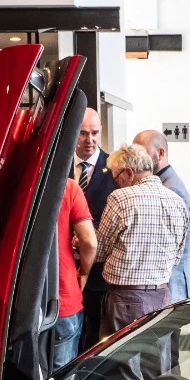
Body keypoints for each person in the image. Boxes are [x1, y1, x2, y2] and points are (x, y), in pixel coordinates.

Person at [97, 143, 190, 336]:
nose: (116, 183)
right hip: (163, 297)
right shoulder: (177, 201)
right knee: (157, 362)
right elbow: (177, 256)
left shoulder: (120, 198)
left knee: (121, 362)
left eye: (116, 178)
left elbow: (99, 251)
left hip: (125, 301)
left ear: (128, 173)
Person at [133, 129, 190, 300]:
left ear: (160, 153)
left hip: (171, 286)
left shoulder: (171, 190)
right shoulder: (165, 184)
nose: (137, 159)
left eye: (142, 153)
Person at [72, 108, 115, 351]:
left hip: (99, 271)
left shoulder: (114, 168)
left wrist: (86, 235)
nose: (90, 140)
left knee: (97, 338)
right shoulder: (59, 165)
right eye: (83, 134)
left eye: (95, 133)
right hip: (67, 269)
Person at [53, 177, 98, 369]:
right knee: (63, 375)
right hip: (63, 293)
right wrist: (84, 272)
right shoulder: (68, 186)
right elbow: (89, 241)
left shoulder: (8, 182)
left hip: (17, 300)